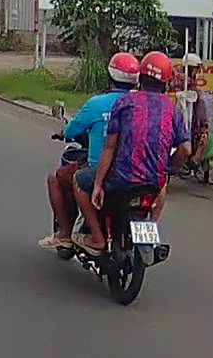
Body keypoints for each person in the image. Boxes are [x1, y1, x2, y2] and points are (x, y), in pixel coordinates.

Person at [72, 51, 191, 255]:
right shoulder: (173, 110)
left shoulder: (125, 103)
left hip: (121, 178)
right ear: (166, 82)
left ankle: (97, 238)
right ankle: (150, 227)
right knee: (162, 189)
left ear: (141, 78)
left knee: (79, 181)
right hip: (154, 181)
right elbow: (186, 149)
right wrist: (169, 169)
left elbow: (110, 147)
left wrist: (98, 185)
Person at [37, 52, 139, 249]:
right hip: (135, 170)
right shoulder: (140, 105)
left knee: (56, 179)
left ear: (110, 77)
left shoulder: (96, 104)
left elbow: (72, 130)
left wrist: (63, 132)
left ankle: (65, 234)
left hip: (101, 171)